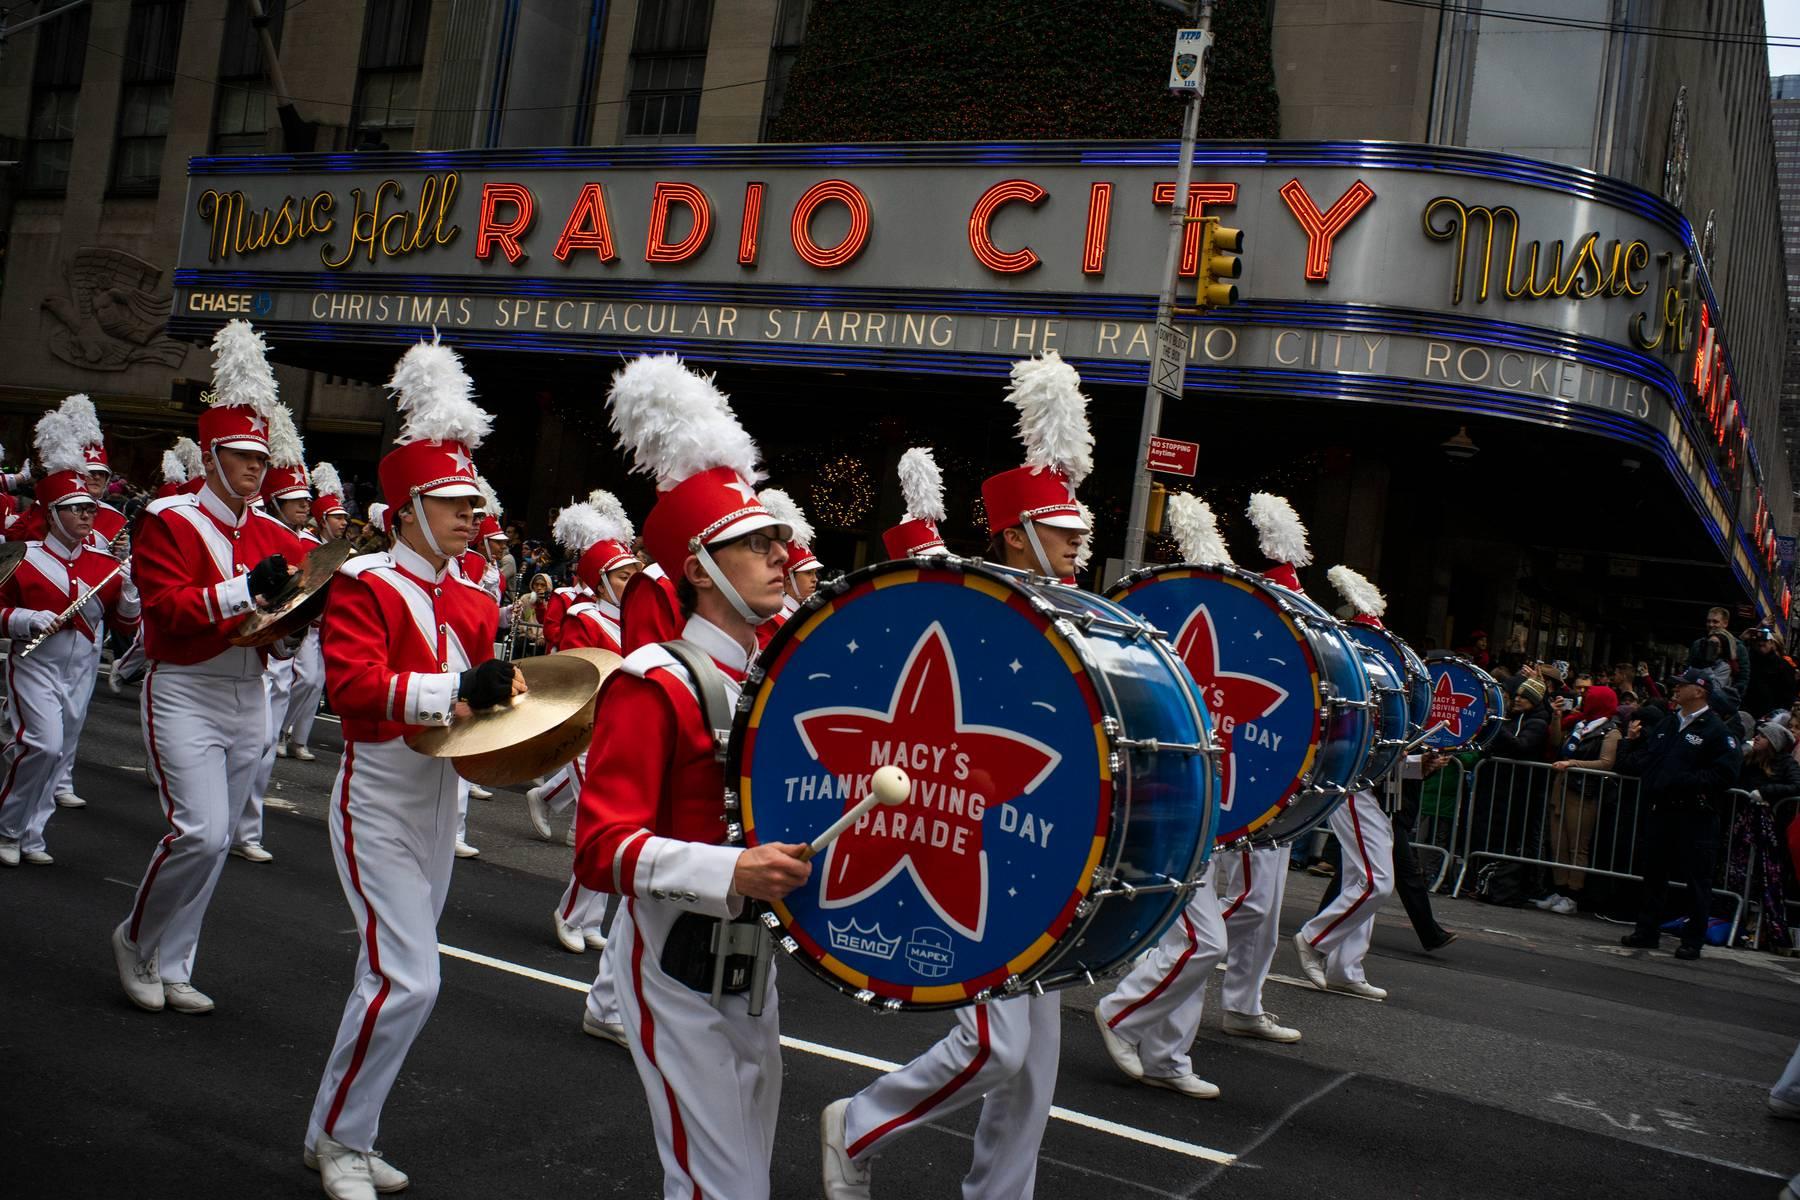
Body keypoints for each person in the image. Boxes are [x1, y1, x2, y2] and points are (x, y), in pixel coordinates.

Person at [823, 351, 1094, 1200]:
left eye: (1084, 535)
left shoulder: (1065, 614)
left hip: (1040, 847)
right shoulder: (973, 603)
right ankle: (859, 1122)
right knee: (996, 1046)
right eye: (1065, 535)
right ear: (1016, 534)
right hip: (962, 839)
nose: (1081, 550)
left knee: (1035, 1066)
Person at [573, 353, 809, 1200]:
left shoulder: (776, 682)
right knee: (718, 1189)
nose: (782, 554)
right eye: (756, 543)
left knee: (748, 1181)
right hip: (671, 965)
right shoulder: (652, 680)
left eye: (778, 538)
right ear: (702, 569)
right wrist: (729, 870)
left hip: (752, 966)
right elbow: (599, 849)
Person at [302, 337, 520, 1200]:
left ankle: (337, 1129)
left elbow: (478, 699)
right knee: (409, 978)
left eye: (473, 503)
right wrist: (455, 691)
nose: (473, 517)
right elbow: (351, 690)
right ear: (408, 509)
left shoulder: (472, 594)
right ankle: (343, 1142)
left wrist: (506, 703)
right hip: (379, 798)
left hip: (441, 801)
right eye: (455, 504)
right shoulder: (363, 581)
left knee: (389, 978)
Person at [112, 320, 307, 1016]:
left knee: (220, 839)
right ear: (212, 455)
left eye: (262, 457)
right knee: (197, 831)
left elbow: (281, 625)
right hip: (186, 687)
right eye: (242, 456)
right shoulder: (168, 519)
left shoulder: (277, 533)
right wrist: (244, 590)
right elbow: (165, 610)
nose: (256, 468)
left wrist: (292, 628)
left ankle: (177, 960)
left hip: (248, 688)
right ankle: (136, 939)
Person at [1093, 493, 1287, 1110]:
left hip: (1202, 808)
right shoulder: (1156, 641)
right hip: (1161, 810)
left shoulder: (1235, 651)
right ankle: (1122, 1012)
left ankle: (1168, 1055)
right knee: (1203, 942)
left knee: (1197, 941)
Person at [0, 406, 141, 866]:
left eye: (90, 508)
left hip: (81, 667)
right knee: (41, 744)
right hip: (34, 663)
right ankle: (8, 826)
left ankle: (33, 835)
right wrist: (24, 619)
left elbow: (125, 625)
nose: (87, 515)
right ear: (52, 512)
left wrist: (132, 590)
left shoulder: (106, 565)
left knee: (57, 750)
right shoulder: (25, 555)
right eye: (76, 508)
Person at [1616, 667, 1743, 960]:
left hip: (1695, 817)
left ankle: (1692, 939)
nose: (1675, 689)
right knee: (1654, 874)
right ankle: (1647, 931)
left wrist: (1684, 782)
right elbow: (1649, 758)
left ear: (1699, 691)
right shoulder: (1668, 724)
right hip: (1661, 813)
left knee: (1697, 881)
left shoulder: (1716, 731)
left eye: (1682, 685)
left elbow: (1725, 774)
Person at [233, 408, 312, 865]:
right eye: (296, 502)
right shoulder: (261, 535)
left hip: (281, 657)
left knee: (263, 749)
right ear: (277, 503)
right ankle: (230, 827)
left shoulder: (302, 544)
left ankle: (246, 830)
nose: (305, 508)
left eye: (307, 502)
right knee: (252, 746)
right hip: (247, 651)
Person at [278, 463, 349, 762]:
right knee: (305, 679)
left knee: (317, 682)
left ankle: (299, 739)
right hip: (304, 625)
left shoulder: (344, 549)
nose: (344, 523)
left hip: (326, 628)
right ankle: (281, 731)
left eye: (344, 518)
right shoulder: (305, 543)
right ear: (322, 520)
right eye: (337, 518)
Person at [1535, 684, 1622, 914]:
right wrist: (1556, 718)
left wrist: (1573, 764)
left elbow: (1606, 762)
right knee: (1558, 842)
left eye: (1588, 697)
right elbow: (1555, 744)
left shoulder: (1611, 731)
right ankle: (1559, 888)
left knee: (1577, 846)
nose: (1584, 700)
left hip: (1584, 792)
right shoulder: (1578, 724)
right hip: (1561, 788)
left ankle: (1573, 894)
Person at [1743, 627, 1799, 721]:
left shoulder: (1783, 666)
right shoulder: (1749, 661)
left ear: (1772, 643)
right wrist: (1743, 638)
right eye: (1758, 641)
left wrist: (1776, 716)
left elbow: (1789, 695)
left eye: (1765, 641)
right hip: (1748, 710)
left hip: (1770, 715)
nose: (1761, 643)